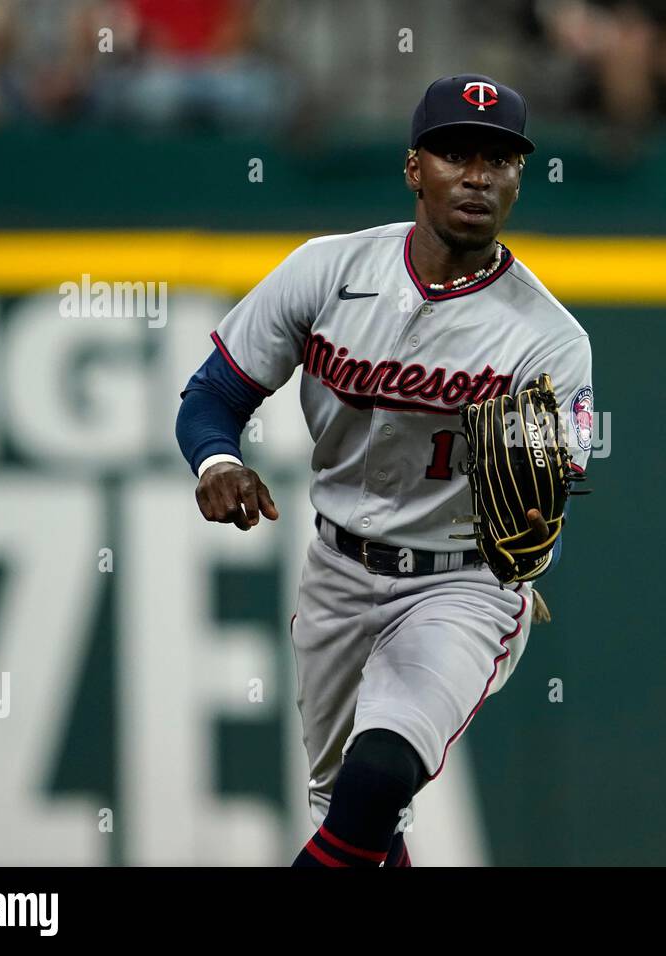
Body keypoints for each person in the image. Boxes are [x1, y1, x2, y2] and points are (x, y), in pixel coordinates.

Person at [175, 73, 594, 867]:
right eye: (455, 154)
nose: (478, 175)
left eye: (499, 160)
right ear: (413, 169)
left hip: (462, 584)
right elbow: (212, 396)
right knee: (359, 824)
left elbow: (550, 523)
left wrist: (536, 543)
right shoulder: (327, 272)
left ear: (519, 179)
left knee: (378, 776)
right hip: (335, 571)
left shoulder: (549, 340)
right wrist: (218, 461)